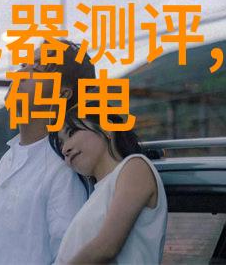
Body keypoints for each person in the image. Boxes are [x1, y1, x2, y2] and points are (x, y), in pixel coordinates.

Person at [0, 39, 95, 265]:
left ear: (63, 93)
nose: (21, 73)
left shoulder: (64, 169)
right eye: (24, 64)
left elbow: (68, 256)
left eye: (38, 68)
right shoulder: (9, 157)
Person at [53, 105, 168, 265]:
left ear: (107, 128)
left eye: (72, 133)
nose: (65, 149)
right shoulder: (95, 194)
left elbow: (106, 247)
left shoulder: (135, 167)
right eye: (61, 144)